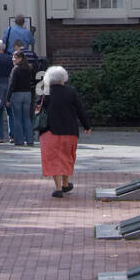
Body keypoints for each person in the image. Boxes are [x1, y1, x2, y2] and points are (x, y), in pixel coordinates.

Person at [39, 65, 91, 196]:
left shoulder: (45, 92)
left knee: (53, 159)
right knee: (67, 157)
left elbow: (37, 109)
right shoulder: (71, 91)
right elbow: (80, 110)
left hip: (49, 131)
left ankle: (58, 189)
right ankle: (66, 184)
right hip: (69, 130)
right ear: (64, 78)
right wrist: (87, 126)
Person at [6, 50, 34, 147]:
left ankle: (19, 140)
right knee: (27, 118)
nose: (13, 59)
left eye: (15, 57)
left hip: (17, 94)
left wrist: (8, 98)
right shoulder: (29, 68)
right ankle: (30, 139)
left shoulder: (16, 69)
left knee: (17, 118)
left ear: (20, 58)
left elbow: (12, 84)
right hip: (27, 94)